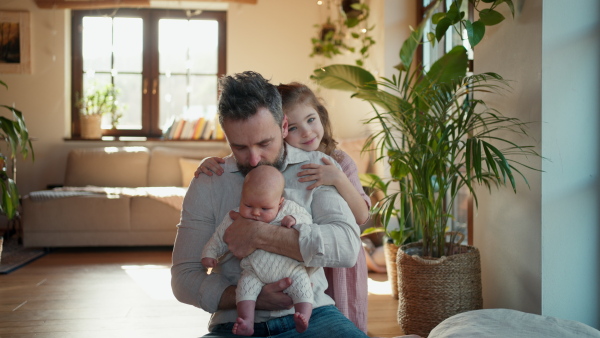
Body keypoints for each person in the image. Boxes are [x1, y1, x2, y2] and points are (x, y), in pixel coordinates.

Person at [171, 71, 368, 338]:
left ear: (284, 126)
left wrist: (259, 234)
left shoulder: (316, 167)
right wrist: (250, 297)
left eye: (264, 143)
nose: (253, 159)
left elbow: (346, 246)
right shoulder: (209, 182)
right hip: (235, 324)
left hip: (316, 317)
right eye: (239, 147)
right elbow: (184, 278)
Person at [201, 165, 315, 336]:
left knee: (304, 288)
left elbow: (308, 220)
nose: (255, 213)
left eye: (264, 209)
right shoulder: (235, 216)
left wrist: (294, 219)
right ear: (242, 197)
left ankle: (302, 317)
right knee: (244, 290)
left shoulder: (289, 209)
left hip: (291, 271)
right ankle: (247, 322)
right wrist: (209, 253)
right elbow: (221, 236)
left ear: (279, 202)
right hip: (254, 271)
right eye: (248, 205)